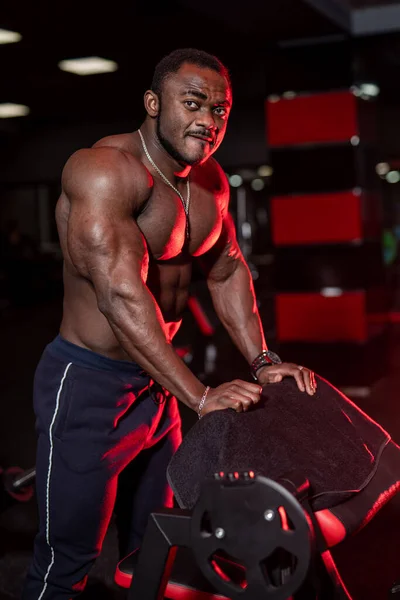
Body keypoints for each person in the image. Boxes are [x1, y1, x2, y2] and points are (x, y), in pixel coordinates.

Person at [22, 48, 316, 599]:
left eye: (221, 111)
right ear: (154, 103)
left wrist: (264, 361)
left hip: (158, 390)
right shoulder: (104, 172)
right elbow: (119, 295)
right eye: (193, 103)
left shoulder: (210, 183)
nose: (208, 120)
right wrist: (199, 395)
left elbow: (227, 270)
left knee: (154, 550)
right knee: (69, 559)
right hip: (90, 384)